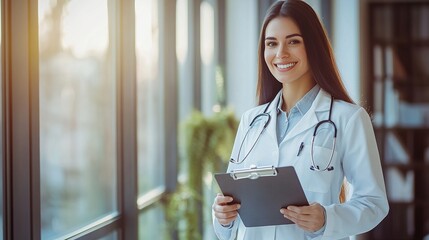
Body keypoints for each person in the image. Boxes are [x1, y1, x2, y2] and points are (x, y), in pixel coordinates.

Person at [212, 0, 389, 239]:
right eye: (271, 43)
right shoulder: (251, 120)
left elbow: (373, 204)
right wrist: (222, 216)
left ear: (313, 46)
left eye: (293, 41)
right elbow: (230, 212)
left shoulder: (348, 119)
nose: (280, 53)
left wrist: (326, 219)